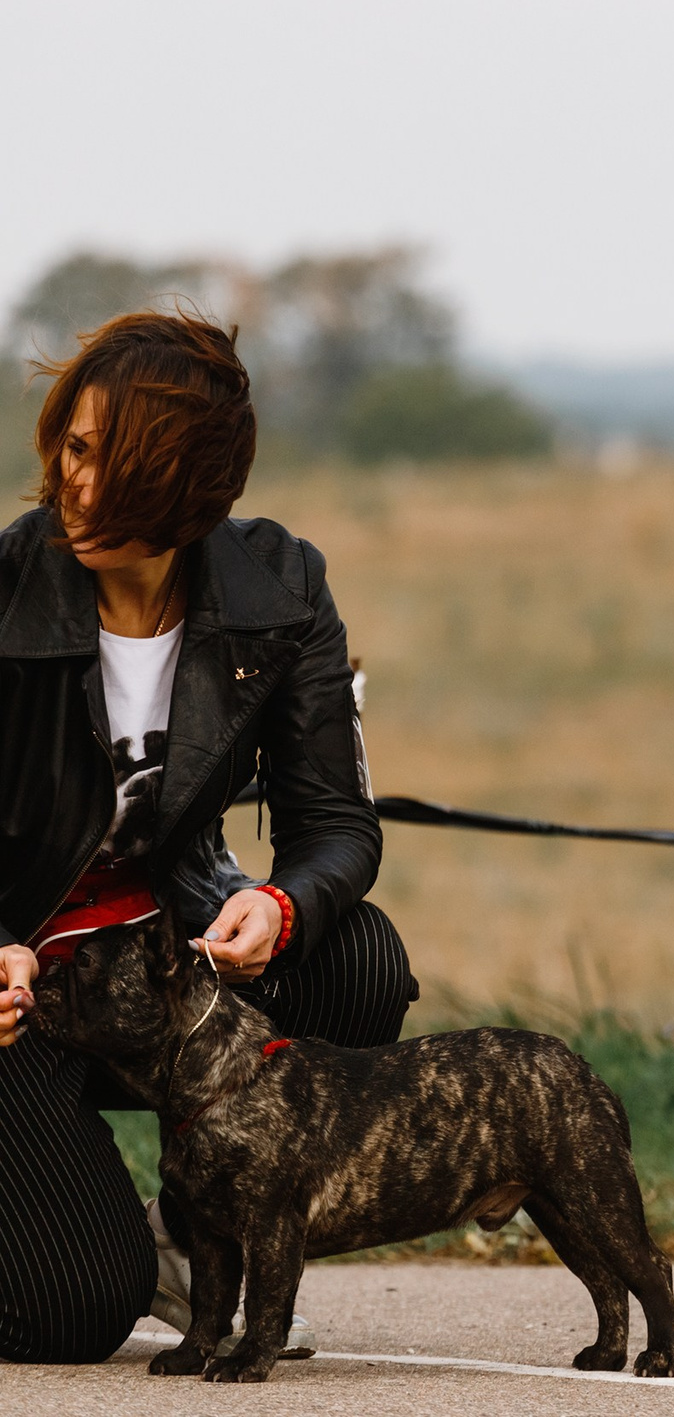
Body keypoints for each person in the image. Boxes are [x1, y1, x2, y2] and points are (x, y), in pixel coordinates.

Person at [0, 312, 413, 1363]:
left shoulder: (279, 592)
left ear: (196, 488)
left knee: (358, 962)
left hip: (157, 966)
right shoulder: (4, 589)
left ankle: (198, 1235)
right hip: (21, 992)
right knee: (74, 1314)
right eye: (75, 448)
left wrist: (282, 904)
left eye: (117, 463)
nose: (79, 486)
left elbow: (337, 828)